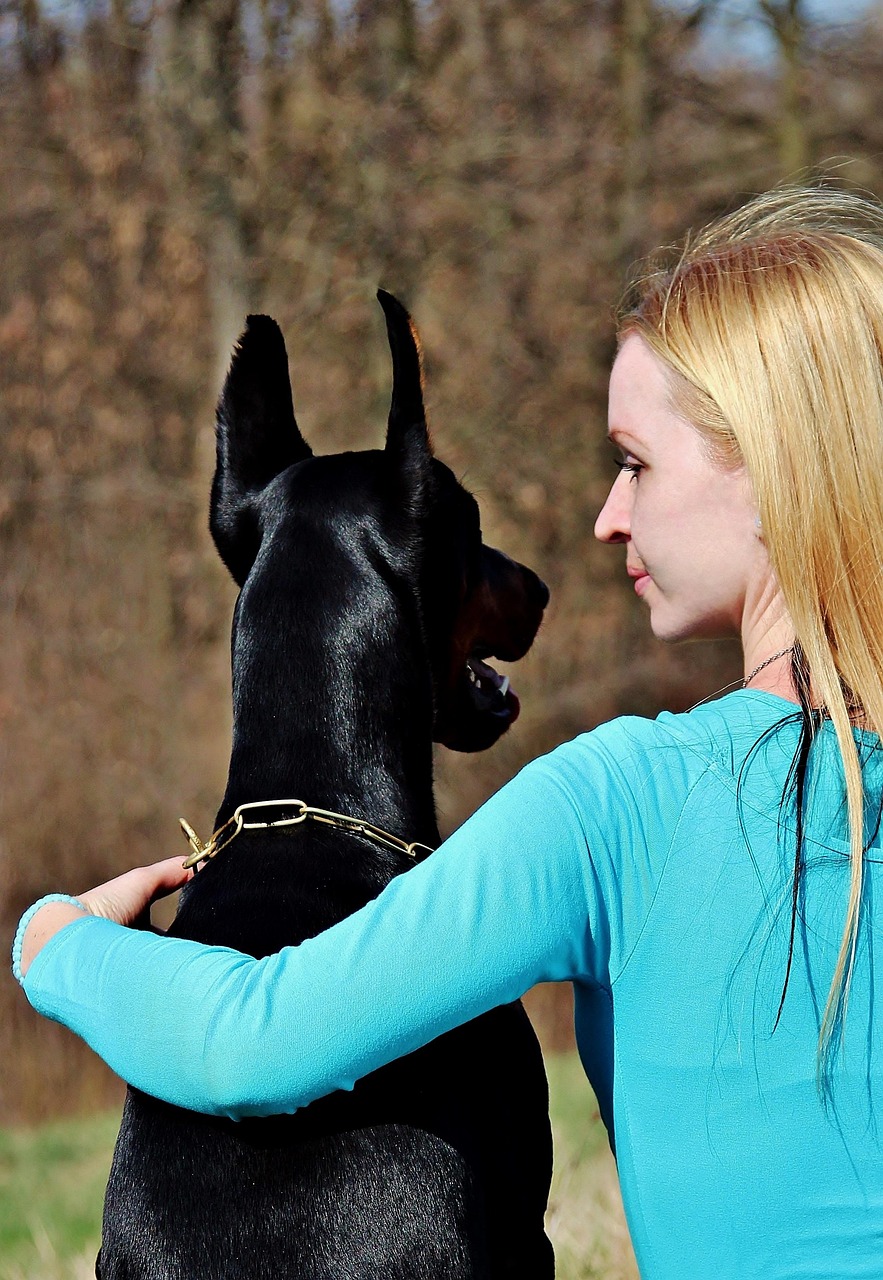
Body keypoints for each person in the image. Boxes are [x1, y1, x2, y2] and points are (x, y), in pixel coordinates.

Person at [14, 184, 883, 1278]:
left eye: (635, 462)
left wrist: (54, 943)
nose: (607, 516)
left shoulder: (625, 805)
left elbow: (249, 1044)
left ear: (773, 470)